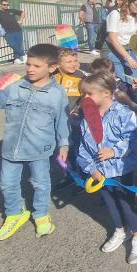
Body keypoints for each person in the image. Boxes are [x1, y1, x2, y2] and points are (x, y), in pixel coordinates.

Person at [0, 43, 69, 241]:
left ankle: (41, 216)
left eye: (37, 66)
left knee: (40, 183)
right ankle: (15, 213)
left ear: (52, 68)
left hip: (39, 149)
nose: (30, 69)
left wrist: (64, 144)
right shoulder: (16, 86)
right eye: (28, 64)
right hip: (12, 148)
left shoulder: (58, 94)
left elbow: (62, 121)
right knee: (7, 184)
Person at [76, 71, 137, 264]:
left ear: (106, 93)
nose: (85, 98)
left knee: (126, 201)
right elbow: (82, 147)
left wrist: (114, 151)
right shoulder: (86, 118)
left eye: (89, 94)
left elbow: (134, 139)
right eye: (84, 94)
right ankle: (119, 230)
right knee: (109, 200)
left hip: (122, 169)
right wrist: (91, 168)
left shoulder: (124, 114)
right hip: (99, 171)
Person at [54, 48, 86, 187]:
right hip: (56, 119)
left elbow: (86, 95)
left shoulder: (80, 76)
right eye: (68, 62)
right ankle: (69, 174)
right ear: (58, 64)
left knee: (76, 147)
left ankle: (81, 175)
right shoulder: (52, 77)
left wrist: (78, 107)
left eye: (75, 60)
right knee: (62, 147)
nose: (73, 64)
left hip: (74, 119)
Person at [0, 0, 26, 64]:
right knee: (12, 44)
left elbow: (23, 12)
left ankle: (17, 59)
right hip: (7, 32)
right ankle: (24, 55)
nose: (6, 6)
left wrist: (21, 20)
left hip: (17, 30)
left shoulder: (11, 10)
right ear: (0, 5)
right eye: (4, 5)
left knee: (18, 45)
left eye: (7, 5)